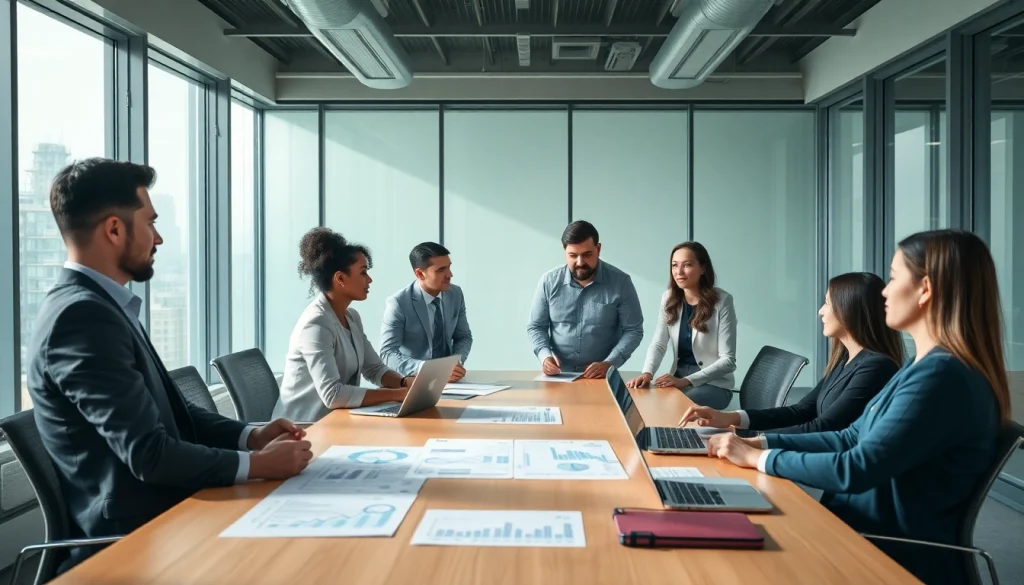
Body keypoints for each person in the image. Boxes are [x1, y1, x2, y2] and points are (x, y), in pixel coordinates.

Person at [26, 158, 312, 572]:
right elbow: (149, 455)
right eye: (150, 222)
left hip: (174, 514)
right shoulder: (82, 318)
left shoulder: (105, 306)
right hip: (138, 540)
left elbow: (178, 416)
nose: (158, 238)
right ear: (114, 229)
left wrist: (251, 437)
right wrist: (258, 465)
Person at [706, 230, 1011, 585]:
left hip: (879, 552)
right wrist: (761, 444)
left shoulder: (942, 376)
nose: (884, 290)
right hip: (851, 531)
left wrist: (758, 459)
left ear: (925, 289)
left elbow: (858, 468)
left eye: (894, 277)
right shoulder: (921, 366)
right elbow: (851, 436)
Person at [677, 272, 903, 432]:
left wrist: (751, 443)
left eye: (827, 303)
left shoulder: (876, 367)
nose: (821, 312)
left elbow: (824, 427)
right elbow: (802, 411)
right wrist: (730, 418)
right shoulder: (847, 359)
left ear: (850, 310)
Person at [273, 228, 412, 423]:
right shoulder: (315, 325)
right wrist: (397, 395)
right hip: (304, 428)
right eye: (363, 272)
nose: (369, 279)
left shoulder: (351, 317)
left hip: (337, 420)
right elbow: (333, 395)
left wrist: (405, 383)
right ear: (340, 278)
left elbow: (374, 369)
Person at [626, 242, 737, 409]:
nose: (679, 272)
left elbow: (728, 361)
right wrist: (647, 373)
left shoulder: (722, 301)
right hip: (679, 382)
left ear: (703, 269)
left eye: (687, 265)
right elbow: (659, 343)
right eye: (674, 265)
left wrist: (686, 381)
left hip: (714, 386)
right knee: (638, 397)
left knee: (676, 405)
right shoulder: (669, 298)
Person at [527, 220, 643, 379]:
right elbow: (536, 326)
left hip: (602, 377)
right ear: (565, 252)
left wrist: (610, 363)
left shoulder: (621, 283)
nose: (580, 262)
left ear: (599, 249)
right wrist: (545, 356)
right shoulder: (548, 282)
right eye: (573, 256)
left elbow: (633, 330)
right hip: (559, 377)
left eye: (587, 254)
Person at [380, 242, 472, 382]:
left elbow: (463, 337)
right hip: (413, 381)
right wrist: (431, 369)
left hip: (451, 383)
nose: (450, 274)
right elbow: (388, 353)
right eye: (441, 270)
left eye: (449, 267)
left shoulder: (455, 294)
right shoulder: (398, 303)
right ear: (420, 273)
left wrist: (455, 363)